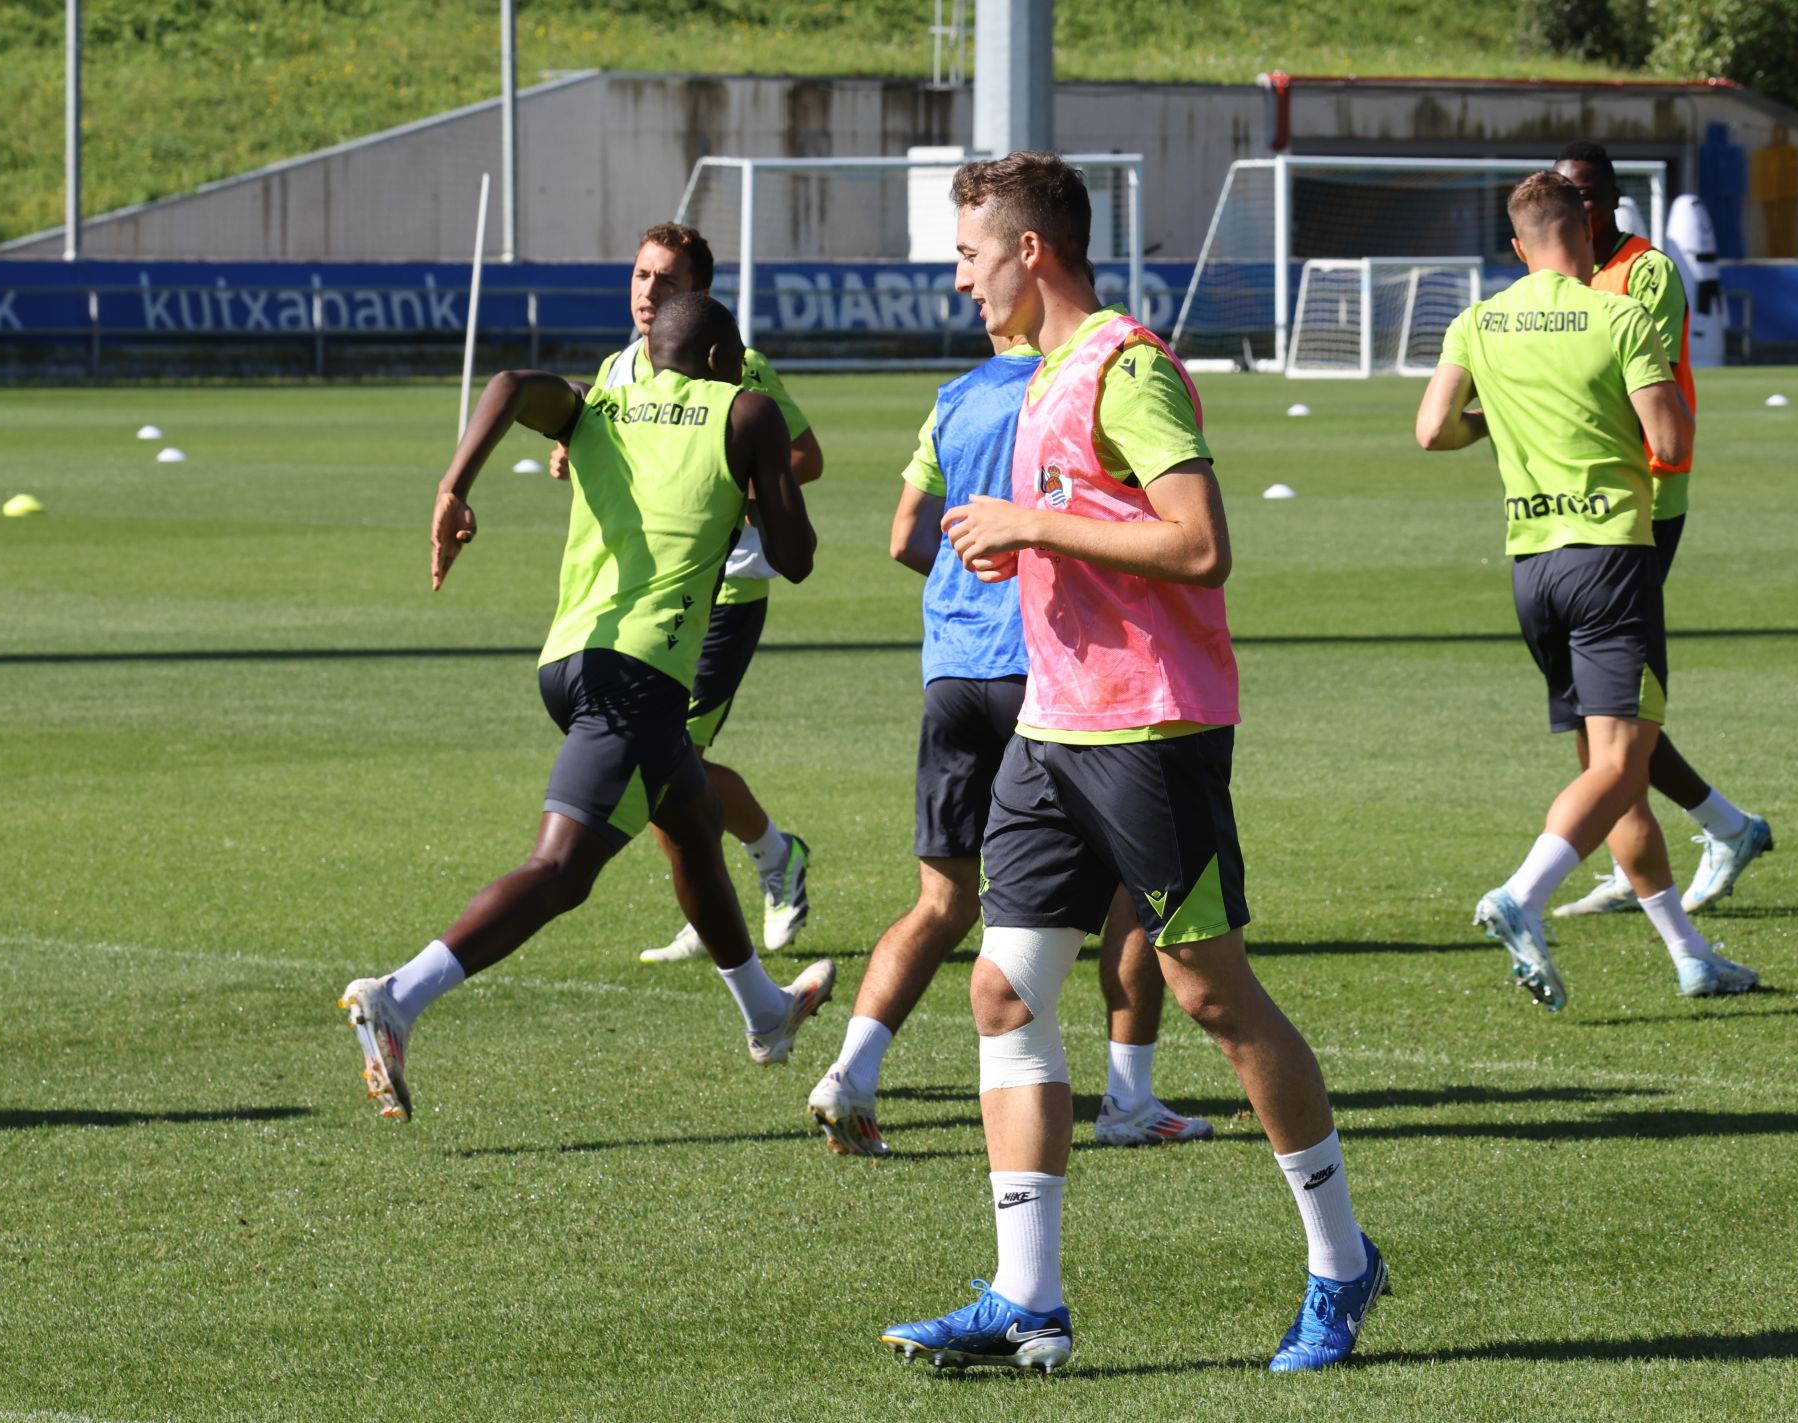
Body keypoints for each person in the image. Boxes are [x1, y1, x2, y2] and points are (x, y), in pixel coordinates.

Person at [880, 152, 1384, 1376]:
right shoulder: (1046, 373)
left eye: (968, 255)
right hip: (1052, 734)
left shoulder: (1127, 365)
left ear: (1031, 251)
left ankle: (1341, 1262)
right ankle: (1026, 1298)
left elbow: (1203, 545)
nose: (960, 281)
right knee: (1003, 990)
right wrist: (1035, 556)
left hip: (1152, 732)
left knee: (1210, 993)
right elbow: (1105, 541)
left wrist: (1034, 527)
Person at [339, 294, 834, 1121]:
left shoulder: (602, 401)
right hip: (639, 673)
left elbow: (509, 383)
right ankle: (399, 995)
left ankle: (765, 1012)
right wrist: (753, 486)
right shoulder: (744, 408)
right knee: (560, 870)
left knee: (694, 825)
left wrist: (453, 486)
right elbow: (797, 556)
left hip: (568, 658)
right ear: (719, 361)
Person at [804, 327, 1214, 1158]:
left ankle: (850, 1069)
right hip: (1049, 673)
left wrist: (968, 578)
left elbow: (905, 537)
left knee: (941, 901)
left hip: (952, 671)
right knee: (1133, 897)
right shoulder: (1076, 385)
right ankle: (1129, 1096)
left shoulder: (955, 398)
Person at [1415, 170, 1760, 1007]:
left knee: (1615, 765)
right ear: (1588, 229)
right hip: (1610, 558)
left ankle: (1690, 955)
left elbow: (1432, 430)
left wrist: (1507, 418)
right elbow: (1670, 443)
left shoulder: (1479, 320)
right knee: (1617, 761)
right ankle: (1522, 894)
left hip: (1532, 566)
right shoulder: (1621, 314)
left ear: (1517, 244)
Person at [550, 223, 823, 964]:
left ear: (698, 296)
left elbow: (804, 455)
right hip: (637, 601)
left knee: (676, 756)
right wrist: (572, 452)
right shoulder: (615, 369)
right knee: (670, 764)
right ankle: (742, 883)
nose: (648, 292)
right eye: (641, 276)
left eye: (666, 281)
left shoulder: (740, 367)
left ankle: (769, 860)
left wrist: (740, 484)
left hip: (721, 594)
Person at [1548, 141, 1774, 919]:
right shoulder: (1558, 273)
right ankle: (1675, 839)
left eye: (1581, 193)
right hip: (1579, 502)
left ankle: (1723, 825)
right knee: (1596, 706)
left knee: (1615, 707)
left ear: (1606, 200)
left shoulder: (1647, 271)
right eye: (1559, 193)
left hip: (1645, 498)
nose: (1571, 206)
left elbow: (1622, 371)